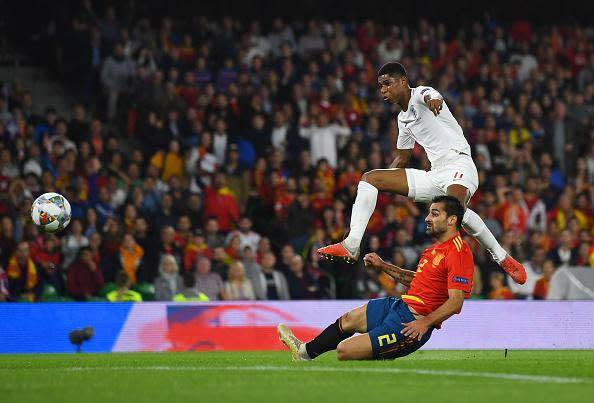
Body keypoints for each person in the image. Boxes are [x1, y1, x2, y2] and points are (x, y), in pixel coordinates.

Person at [317, 62, 526, 285]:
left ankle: (499, 256)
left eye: (387, 83)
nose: (383, 90)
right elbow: (402, 159)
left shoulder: (421, 95)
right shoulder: (402, 120)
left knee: (451, 212)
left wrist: (433, 101)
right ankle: (351, 244)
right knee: (370, 178)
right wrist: (386, 183)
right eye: (380, 86)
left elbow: (431, 95)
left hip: (459, 165)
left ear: (403, 82)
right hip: (435, 175)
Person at [278, 196, 474, 361]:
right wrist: (383, 266)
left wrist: (425, 323)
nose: (427, 218)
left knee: (345, 351)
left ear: (451, 220)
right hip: (399, 306)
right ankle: (304, 352)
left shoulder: (459, 252)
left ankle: (385, 359)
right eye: (429, 212)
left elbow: (456, 302)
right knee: (349, 320)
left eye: (435, 213)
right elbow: (419, 282)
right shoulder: (433, 249)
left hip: (412, 322)